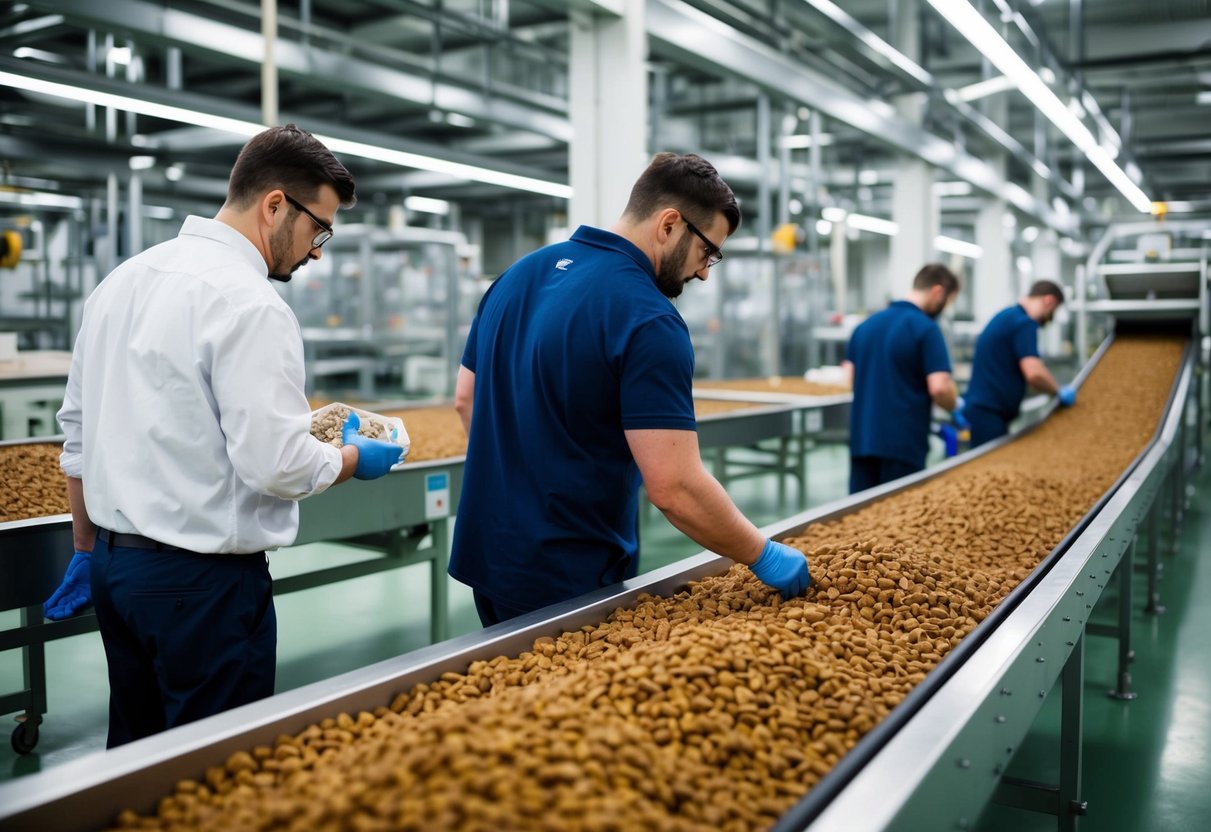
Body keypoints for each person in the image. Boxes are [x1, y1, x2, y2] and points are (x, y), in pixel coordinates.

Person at [41, 124, 404, 748]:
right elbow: (278, 464)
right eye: (320, 228)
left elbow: (75, 431)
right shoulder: (250, 304)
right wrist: (351, 457)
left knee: (136, 762)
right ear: (273, 206)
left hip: (115, 571)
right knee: (214, 773)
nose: (317, 251)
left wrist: (86, 546)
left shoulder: (122, 281)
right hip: (201, 590)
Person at [449, 152, 810, 627]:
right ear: (669, 224)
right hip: (569, 570)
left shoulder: (516, 276)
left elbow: (465, 398)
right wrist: (761, 554)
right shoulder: (648, 319)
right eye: (708, 252)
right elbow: (675, 486)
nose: (704, 272)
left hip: (489, 554)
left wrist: (523, 476)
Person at [844, 263, 962, 493]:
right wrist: (956, 406)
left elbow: (849, 378)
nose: (944, 308)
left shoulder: (865, 326)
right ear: (938, 292)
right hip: (903, 444)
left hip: (862, 440)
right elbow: (939, 388)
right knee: (899, 521)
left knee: (858, 519)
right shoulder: (926, 329)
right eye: (947, 302)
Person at [962, 279, 1075, 448]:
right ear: (1049, 301)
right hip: (990, 415)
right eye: (1053, 311)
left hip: (982, 411)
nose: (1050, 318)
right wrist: (1058, 391)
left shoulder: (1007, 316)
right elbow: (1034, 373)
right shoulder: (1024, 323)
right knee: (991, 469)